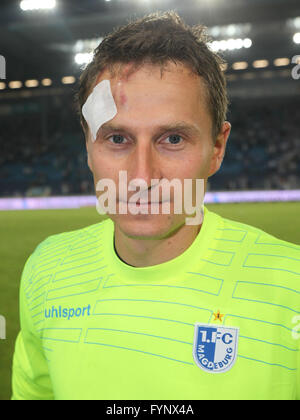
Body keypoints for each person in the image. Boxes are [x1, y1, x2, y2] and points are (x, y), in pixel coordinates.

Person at [12, 11, 300, 400]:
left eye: (173, 139)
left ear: (217, 148)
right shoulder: (46, 271)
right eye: (117, 139)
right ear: (88, 148)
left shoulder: (291, 286)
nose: (143, 177)